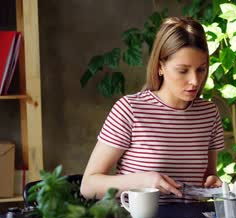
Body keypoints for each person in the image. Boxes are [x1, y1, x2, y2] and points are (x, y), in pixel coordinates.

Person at [81, 17, 225, 203]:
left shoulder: (209, 113)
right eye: (183, 71)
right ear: (160, 67)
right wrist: (144, 181)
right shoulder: (130, 109)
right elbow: (88, 186)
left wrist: (212, 183)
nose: (195, 81)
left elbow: (208, 177)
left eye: (201, 70)